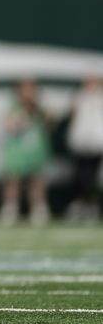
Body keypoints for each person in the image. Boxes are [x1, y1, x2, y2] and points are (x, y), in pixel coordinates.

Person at [0, 79, 52, 226]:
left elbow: (50, 123)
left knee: (37, 181)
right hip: (17, 151)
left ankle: (39, 209)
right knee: (13, 181)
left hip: (35, 151)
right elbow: (10, 126)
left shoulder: (40, 109)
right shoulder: (14, 108)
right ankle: (10, 209)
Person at [64, 76, 103, 221]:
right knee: (80, 176)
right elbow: (74, 117)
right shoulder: (79, 97)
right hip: (80, 144)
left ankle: (91, 205)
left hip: (97, 144)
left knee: (92, 177)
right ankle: (79, 204)